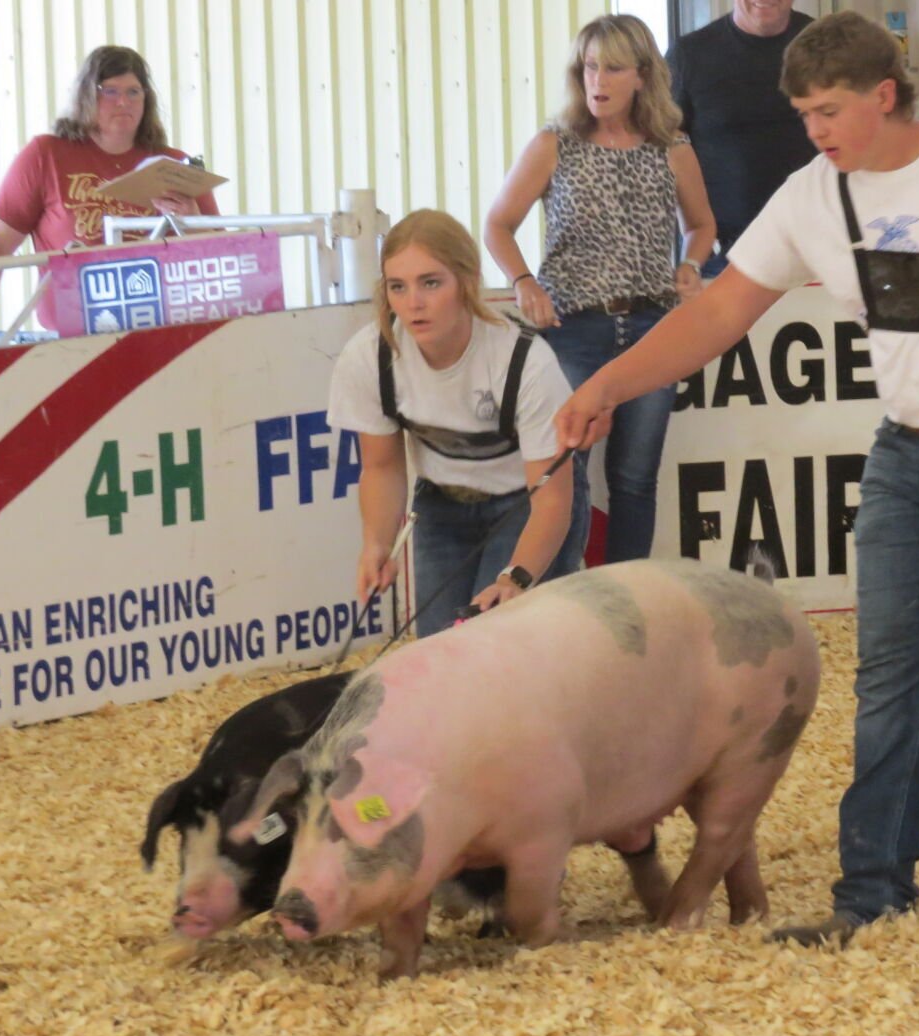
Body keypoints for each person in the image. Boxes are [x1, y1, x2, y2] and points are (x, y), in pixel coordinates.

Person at [554, 12, 919, 945]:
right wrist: (605, 385)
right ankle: (870, 893)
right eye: (803, 114)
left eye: (830, 110)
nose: (817, 130)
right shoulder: (811, 196)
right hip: (908, 451)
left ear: (884, 94)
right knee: (890, 676)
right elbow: (717, 314)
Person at [485, 14, 714, 575]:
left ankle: (626, 602)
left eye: (612, 68)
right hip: (573, 328)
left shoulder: (672, 147)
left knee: (636, 477)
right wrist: (524, 282)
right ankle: (566, 598)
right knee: (565, 471)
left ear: (642, 75)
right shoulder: (553, 144)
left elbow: (703, 225)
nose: (598, 80)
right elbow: (498, 224)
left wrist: (689, 265)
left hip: (652, 328)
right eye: (589, 67)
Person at [327, 209, 574, 640]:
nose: (413, 304)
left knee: (503, 645)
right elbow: (382, 468)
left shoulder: (525, 362)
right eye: (397, 287)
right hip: (441, 505)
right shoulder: (370, 356)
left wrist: (514, 578)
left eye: (431, 283)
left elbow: (553, 500)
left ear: (468, 281)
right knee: (439, 649)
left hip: (525, 503)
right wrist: (377, 543)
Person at [0, 45, 220, 330]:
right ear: (86, 95)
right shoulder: (44, 155)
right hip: (71, 337)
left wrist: (191, 217)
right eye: (110, 91)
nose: (123, 102)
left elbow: (223, 254)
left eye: (134, 91)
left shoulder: (173, 164)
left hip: (162, 329)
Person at [668, 0, 814, 276]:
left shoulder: (826, 47)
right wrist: (695, 245)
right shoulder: (689, 55)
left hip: (819, 249)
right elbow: (666, 153)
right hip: (726, 256)